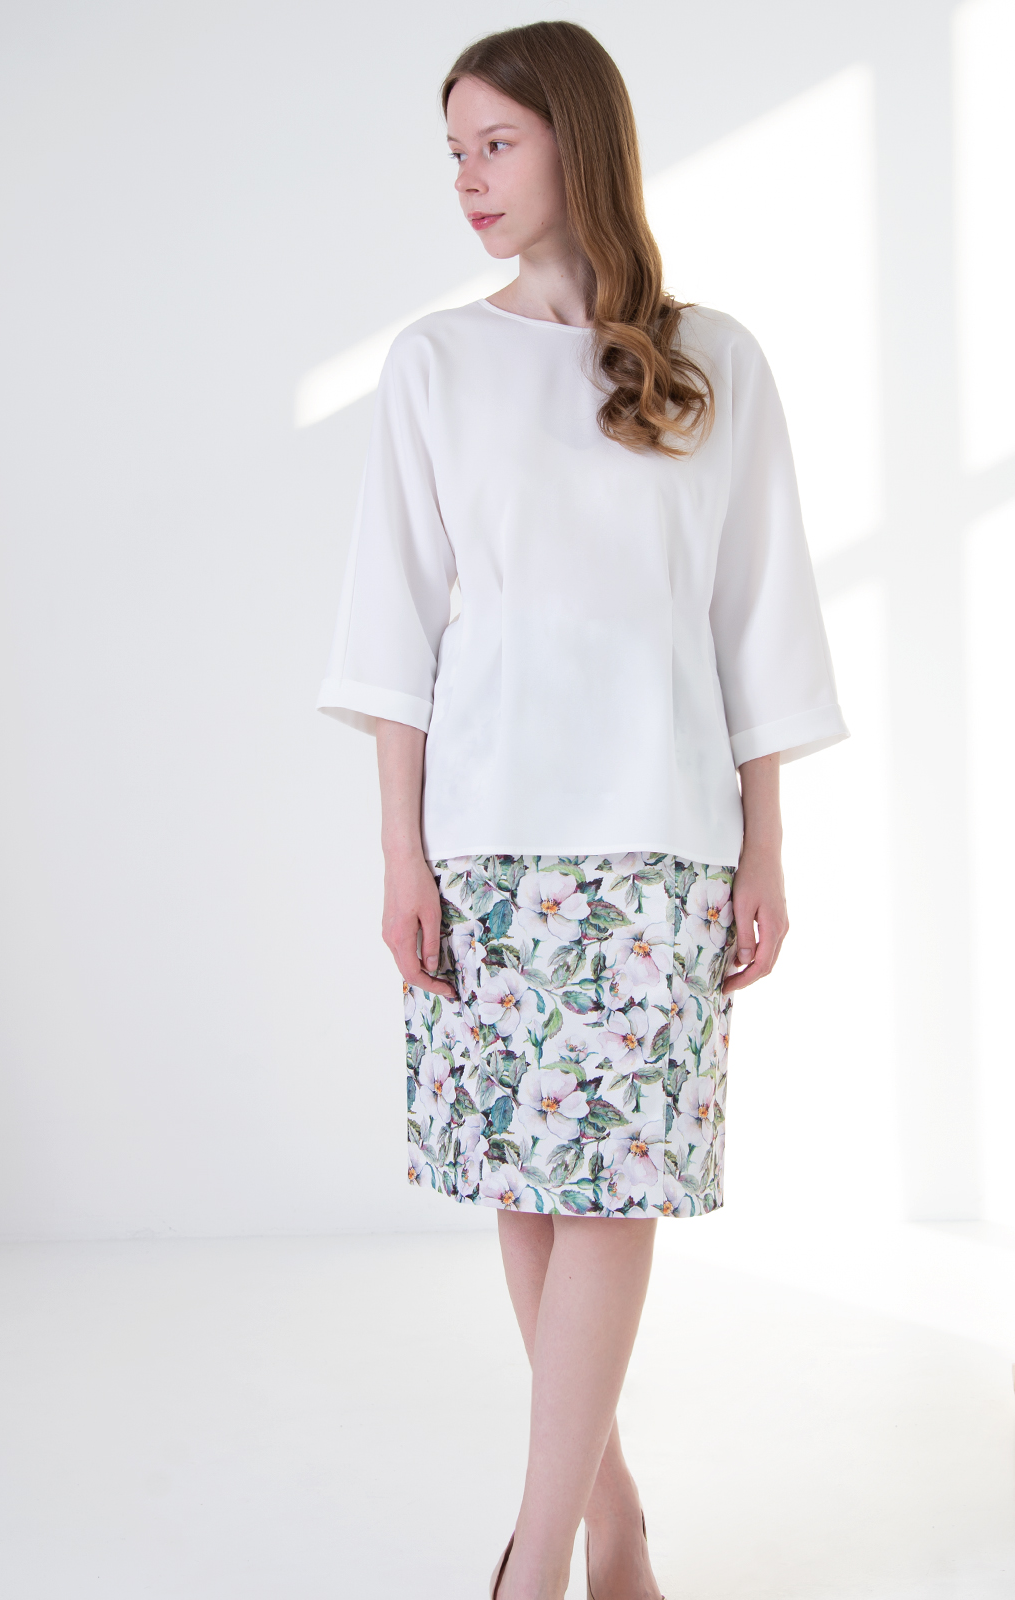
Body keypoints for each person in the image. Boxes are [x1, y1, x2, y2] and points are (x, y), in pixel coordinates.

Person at [317, 21, 848, 1600]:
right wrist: (400, 855)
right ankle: (613, 1524)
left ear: (578, 140)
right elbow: (393, 632)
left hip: (663, 833)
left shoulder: (714, 360)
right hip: (485, 835)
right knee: (534, 1185)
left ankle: (533, 1556)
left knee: (618, 1187)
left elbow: (759, 620)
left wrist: (766, 843)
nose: (469, 179)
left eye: (498, 143)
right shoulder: (434, 364)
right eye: (456, 152)